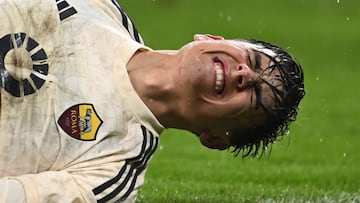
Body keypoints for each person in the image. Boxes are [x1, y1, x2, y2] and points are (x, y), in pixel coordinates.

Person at [0, 0, 305, 202]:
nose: (245, 74)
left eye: (254, 97)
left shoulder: (110, 175)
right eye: (251, 59)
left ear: (215, 138)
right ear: (210, 39)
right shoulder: (94, 7)